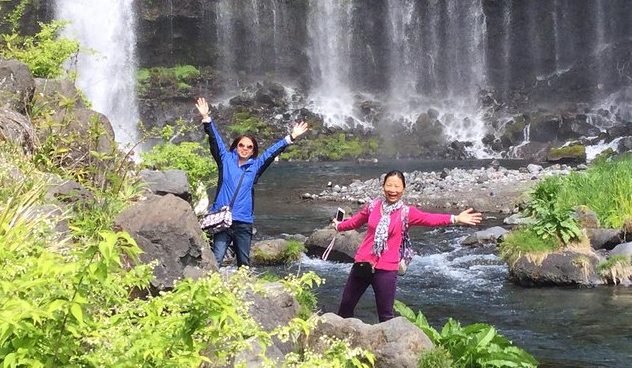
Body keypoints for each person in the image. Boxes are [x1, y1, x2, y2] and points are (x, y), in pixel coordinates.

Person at [332, 169, 482, 323]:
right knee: (346, 306)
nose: (393, 190)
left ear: (403, 189)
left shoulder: (406, 213)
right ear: (383, 187)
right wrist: (339, 226)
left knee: (386, 316)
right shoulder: (373, 206)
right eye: (389, 185)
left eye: (397, 186)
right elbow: (356, 221)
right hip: (363, 263)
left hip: (386, 269)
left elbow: (429, 219)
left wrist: (455, 218)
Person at [195, 97, 309, 267]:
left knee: (244, 264)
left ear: (253, 150)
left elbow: (271, 152)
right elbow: (215, 140)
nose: (245, 149)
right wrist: (206, 118)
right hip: (221, 219)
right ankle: (213, 291)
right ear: (236, 146)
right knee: (216, 260)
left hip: (243, 223)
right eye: (242, 145)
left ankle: (242, 292)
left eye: (249, 147)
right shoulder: (225, 160)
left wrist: (291, 137)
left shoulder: (255, 166)